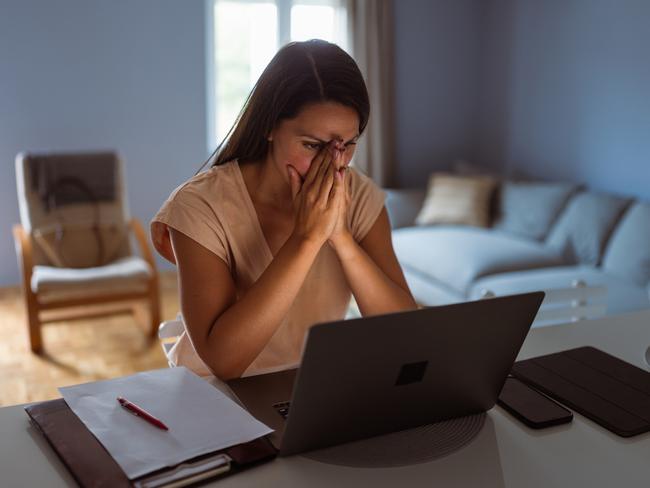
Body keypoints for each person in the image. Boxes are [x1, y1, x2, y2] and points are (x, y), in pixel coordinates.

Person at [151, 39, 417, 381]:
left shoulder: (360, 197)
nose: (333, 163)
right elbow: (225, 362)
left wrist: (341, 238)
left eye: (348, 145)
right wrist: (306, 239)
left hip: (306, 387)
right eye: (312, 145)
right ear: (270, 127)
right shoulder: (200, 205)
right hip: (215, 395)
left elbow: (404, 333)